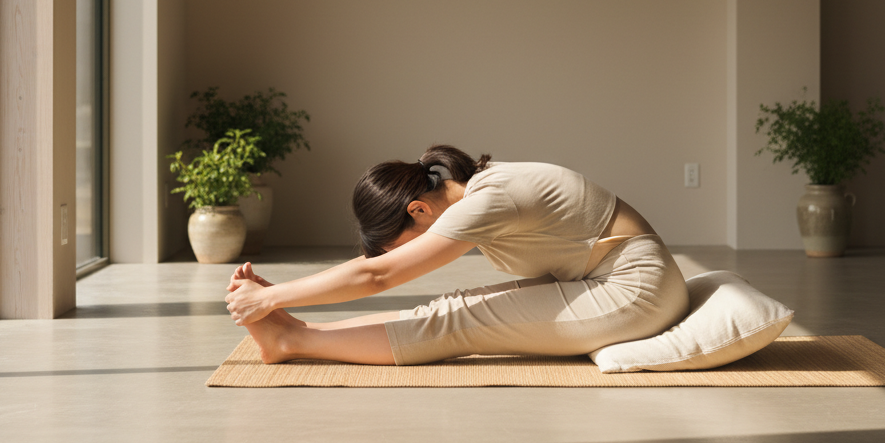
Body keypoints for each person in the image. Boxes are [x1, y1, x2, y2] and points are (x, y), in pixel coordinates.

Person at [225, 144, 689, 366]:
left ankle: (290, 342)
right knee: (449, 308)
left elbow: (378, 277)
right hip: (608, 279)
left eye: (400, 242)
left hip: (636, 291)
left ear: (418, 209)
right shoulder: (483, 189)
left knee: (454, 323)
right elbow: (378, 269)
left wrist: (270, 297)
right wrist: (284, 305)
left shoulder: (490, 200)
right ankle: (296, 332)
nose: (413, 254)